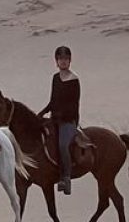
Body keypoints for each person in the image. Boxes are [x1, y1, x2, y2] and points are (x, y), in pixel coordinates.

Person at [38, 45, 80, 196]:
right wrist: (42, 112)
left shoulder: (74, 79)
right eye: (60, 59)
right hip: (54, 118)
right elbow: (53, 101)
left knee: (63, 145)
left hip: (68, 120)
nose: (63, 62)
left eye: (66, 59)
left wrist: (63, 116)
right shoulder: (55, 78)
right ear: (56, 61)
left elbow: (73, 104)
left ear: (70, 61)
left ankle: (66, 178)